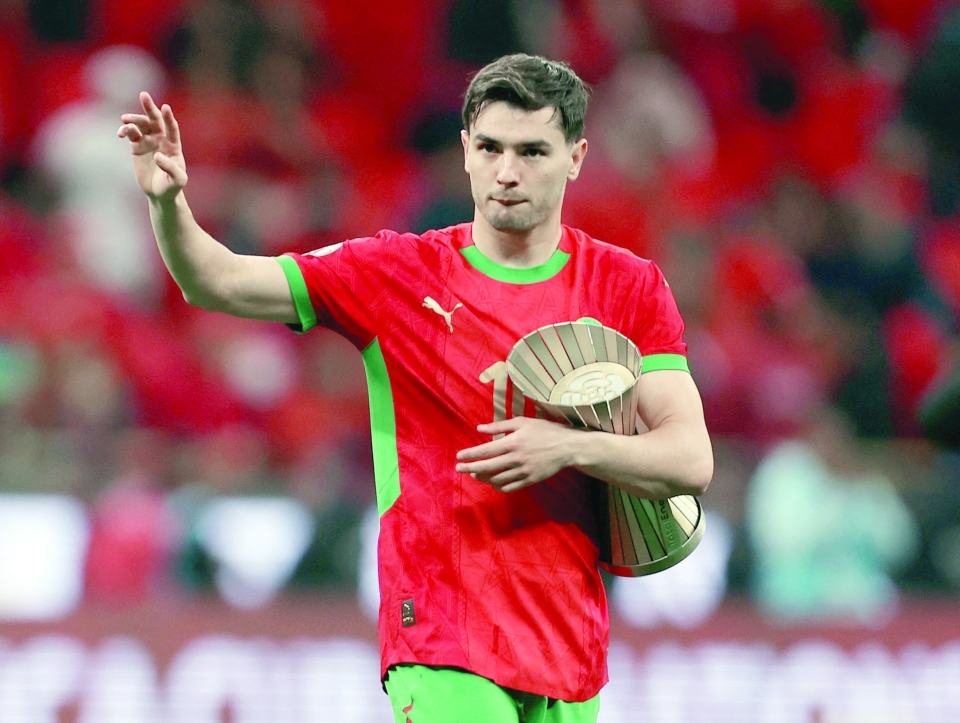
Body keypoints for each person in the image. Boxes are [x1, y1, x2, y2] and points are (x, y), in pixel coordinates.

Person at [118, 53, 713, 723]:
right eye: (489, 147)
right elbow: (217, 280)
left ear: (576, 157)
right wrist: (168, 203)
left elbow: (689, 460)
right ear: (464, 151)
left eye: (532, 151)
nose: (507, 171)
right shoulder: (395, 273)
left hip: (569, 644)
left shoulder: (628, 286)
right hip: (440, 633)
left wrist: (567, 449)